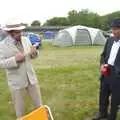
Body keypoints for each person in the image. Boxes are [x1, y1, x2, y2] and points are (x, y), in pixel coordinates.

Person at [0, 18, 42, 119]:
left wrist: (35, 53)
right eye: (17, 32)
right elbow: (1, 64)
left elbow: (33, 56)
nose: (20, 34)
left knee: (39, 105)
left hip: (31, 78)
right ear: (10, 33)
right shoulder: (2, 46)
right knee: (20, 110)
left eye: (20, 31)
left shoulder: (26, 40)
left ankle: (42, 117)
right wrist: (14, 60)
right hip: (16, 82)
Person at [92, 18, 120, 120]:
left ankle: (112, 117)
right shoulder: (109, 40)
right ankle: (102, 113)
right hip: (106, 71)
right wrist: (102, 64)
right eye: (113, 29)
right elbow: (103, 55)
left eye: (117, 29)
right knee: (103, 93)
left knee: (115, 98)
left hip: (117, 75)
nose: (114, 31)